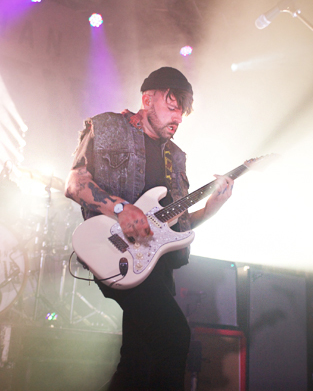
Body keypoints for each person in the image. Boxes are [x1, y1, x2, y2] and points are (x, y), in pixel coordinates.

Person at [64, 67, 234, 390]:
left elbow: (178, 225)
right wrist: (120, 208)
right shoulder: (106, 127)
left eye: (182, 112)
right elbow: (75, 184)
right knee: (174, 337)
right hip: (114, 250)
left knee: (137, 363)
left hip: (157, 263)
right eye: (172, 107)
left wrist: (210, 210)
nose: (178, 117)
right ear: (147, 100)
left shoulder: (176, 157)